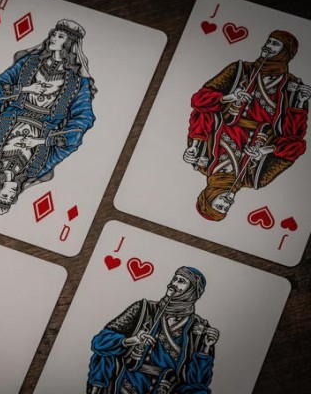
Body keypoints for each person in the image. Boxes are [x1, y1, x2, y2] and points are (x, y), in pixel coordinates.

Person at [0, 19, 96, 214]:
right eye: (54, 34)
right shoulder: (36, 169)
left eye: (59, 36)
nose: (53, 37)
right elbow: (72, 141)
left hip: (17, 116)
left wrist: (22, 90)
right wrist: (40, 140)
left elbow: (84, 118)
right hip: (42, 129)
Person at [183, 30, 310, 221]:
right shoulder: (256, 179)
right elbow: (295, 145)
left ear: (208, 196)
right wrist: (300, 103)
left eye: (274, 43)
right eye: (226, 208)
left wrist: (229, 97)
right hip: (267, 133)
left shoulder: (199, 160)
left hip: (228, 120)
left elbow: (200, 105)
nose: (227, 203)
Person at [87, 267, 219, 394]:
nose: (173, 284)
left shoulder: (200, 328)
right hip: (130, 377)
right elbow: (99, 342)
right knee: (103, 354)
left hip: (168, 385)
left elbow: (198, 380)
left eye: (181, 281)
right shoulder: (143, 309)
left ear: (192, 291)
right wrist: (131, 340)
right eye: (174, 279)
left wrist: (206, 348)